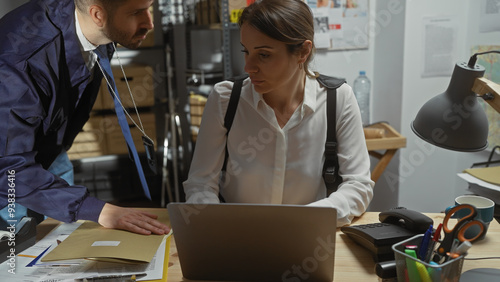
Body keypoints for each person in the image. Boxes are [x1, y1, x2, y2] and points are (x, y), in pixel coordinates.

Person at [183, 0, 374, 227]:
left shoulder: (338, 99)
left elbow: (358, 185)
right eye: (246, 51)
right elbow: (201, 183)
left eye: (264, 55)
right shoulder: (226, 99)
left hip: (309, 236)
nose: (249, 67)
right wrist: (219, 225)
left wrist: (302, 220)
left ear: (303, 51)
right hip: (238, 235)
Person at [0, 0, 170, 235]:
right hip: (11, 169)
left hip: (48, 147)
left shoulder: (95, 27)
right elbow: (8, 169)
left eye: (149, 7)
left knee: (61, 243)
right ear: (98, 15)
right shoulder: (19, 62)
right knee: (16, 255)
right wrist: (98, 211)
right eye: (137, 12)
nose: (150, 23)